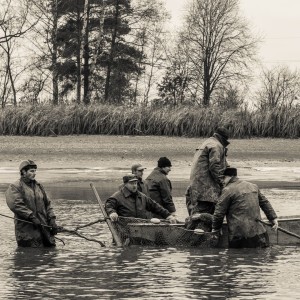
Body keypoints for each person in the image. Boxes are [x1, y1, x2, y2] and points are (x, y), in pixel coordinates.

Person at [212, 167, 279, 248]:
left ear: (231, 177)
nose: (222, 181)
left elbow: (219, 213)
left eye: (223, 178)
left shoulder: (227, 190)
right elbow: (265, 203)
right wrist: (273, 219)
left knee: (237, 258)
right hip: (260, 234)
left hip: (240, 236)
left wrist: (215, 229)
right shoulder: (253, 186)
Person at [5, 160, 59, 247]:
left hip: (44, 228)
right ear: (23, 172)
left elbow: (48, 204)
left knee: (50, 253)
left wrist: (52, 220)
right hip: (27, 231)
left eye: (35, 171)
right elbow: (16, 205)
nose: (34, 173)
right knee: (30, 254)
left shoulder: (39, 186)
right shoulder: (15, 187)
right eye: (31, 171)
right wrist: (31, 217)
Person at [189, 127, 230, 215]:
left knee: (197, 213)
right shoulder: (216, 146)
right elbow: (214, 166)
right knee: (206, 215)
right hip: (207, 189)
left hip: (196, 186)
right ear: (224, 138)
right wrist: (222, 182)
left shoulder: (206, 143)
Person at [105, 174, 176, 223]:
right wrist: (112, 213)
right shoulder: (117, 196)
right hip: (124, 230)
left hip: (141, 229)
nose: (134, 186)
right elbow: (108, 205)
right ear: (125, 184)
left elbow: (155, 206)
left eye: (135, 183)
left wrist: (168, 215)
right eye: (131, 183)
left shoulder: (142, 196)